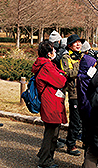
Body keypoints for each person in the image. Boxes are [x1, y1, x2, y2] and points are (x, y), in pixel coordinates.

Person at [33, 40, 67, 168]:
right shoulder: (47, 66)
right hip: (51, 102)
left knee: (53, 131)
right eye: (53, 50)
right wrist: (61, 74)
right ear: (48, 53)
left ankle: (44, 155)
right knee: (51, 133)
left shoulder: (45, 64)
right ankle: (45, 160)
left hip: (51, 101)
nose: (55, 52)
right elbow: (61, 81)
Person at [60, 34, 85, 156]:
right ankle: (71, 145)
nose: (79, 44)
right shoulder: (66, 57)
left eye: (80, 42)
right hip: (74, 92)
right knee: (75, 120)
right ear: (70, 45)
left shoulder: (82, 56)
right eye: (76, 42)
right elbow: (68, 73)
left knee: (86, 119)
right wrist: (82, 67)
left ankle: (85, 141)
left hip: (85, 92)